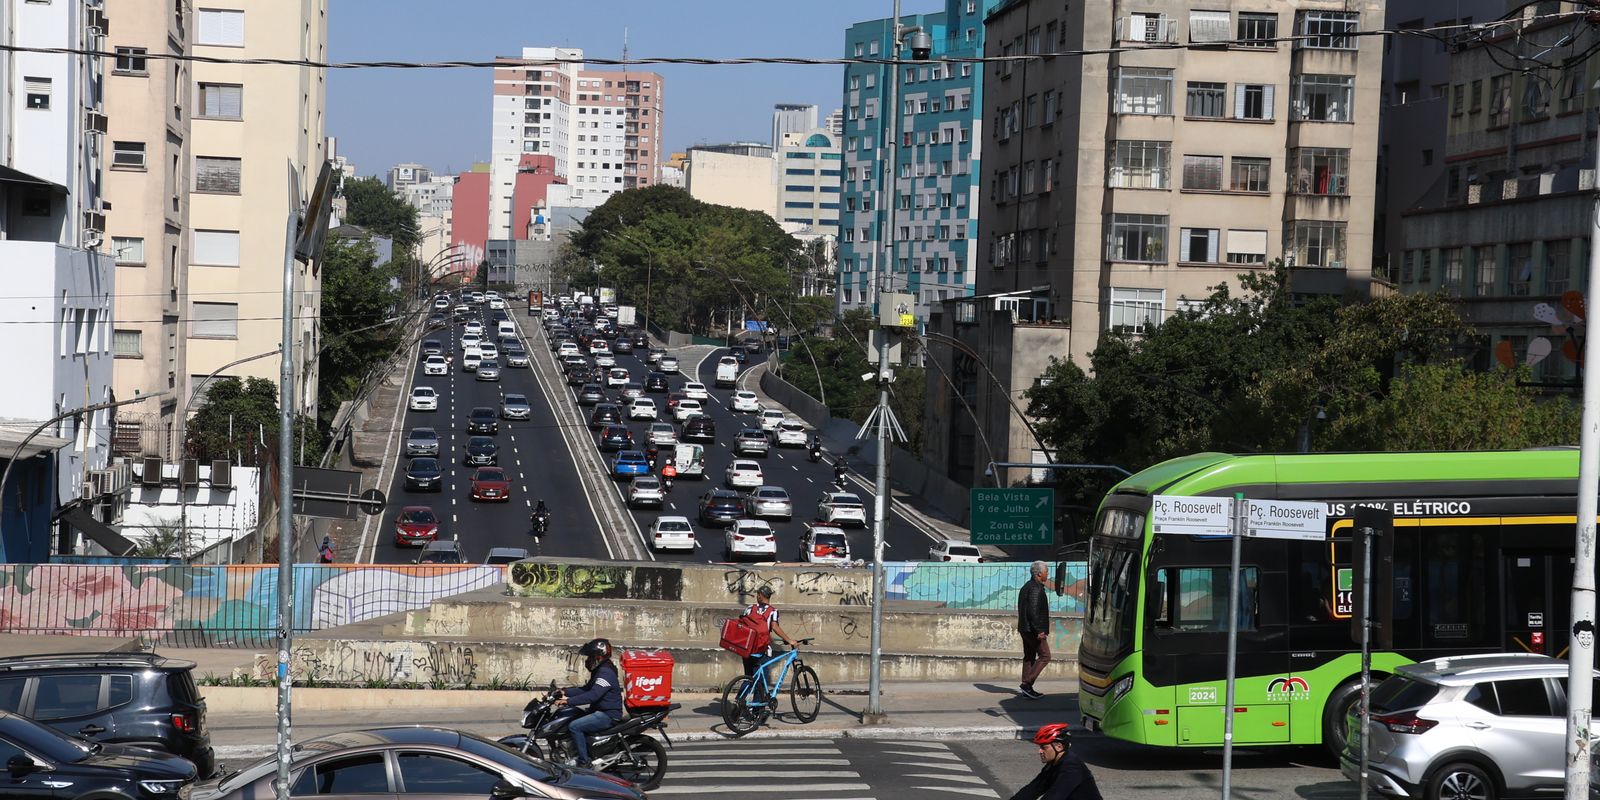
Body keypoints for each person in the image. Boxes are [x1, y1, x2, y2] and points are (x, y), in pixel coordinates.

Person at [553, 638, 623, 769]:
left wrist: (568, 701)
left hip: (608, 714)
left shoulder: (605, 672)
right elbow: (586, 689)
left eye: (590, 657)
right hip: (599, 710)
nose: (587, 661)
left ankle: (584, 762)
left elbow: (593, 695)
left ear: (598, 656)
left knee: (575, 726)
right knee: (573, 715)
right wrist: (564, 691)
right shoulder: (600, 670)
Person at [1008, 724, 1103, 800]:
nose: (1040, 751)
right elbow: (1033, 789)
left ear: (1059, 747)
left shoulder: (1072, 768)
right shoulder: (1053, 764)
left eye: (1044, 747)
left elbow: (1054, 796)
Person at [740, 586, 793, 688]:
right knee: (760, 681)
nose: (757, 596)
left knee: (748, 678)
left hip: (747, 649)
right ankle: (758, 698)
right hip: (762, 650)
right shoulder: (773, 611)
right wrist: (789, 640)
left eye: (757, 594)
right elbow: (774, 627)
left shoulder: (749, 609)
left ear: (760, 595)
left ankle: (740, 697)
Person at [1017, 560, 1054, 699]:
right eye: (1046, 572)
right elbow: (1033, 612)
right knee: (1045, 656)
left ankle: (1027, 689)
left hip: (1025, 628)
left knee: (1029, 656)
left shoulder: (1027, 586)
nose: (1047, 574)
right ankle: (1027, 684)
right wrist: (1039, 630)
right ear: (1039, 574)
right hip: (1033, 630)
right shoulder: (1035, 588)